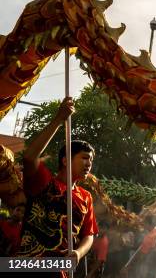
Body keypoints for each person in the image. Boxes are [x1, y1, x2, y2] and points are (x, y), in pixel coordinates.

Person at [15, 96, 98, 278]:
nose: (89, 163)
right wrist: (59, 118)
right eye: (84, 157)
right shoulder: (43, 182)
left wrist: (78, 253)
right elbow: (29, 157)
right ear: (65, 160)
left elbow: (88, 235)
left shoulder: (86, 197)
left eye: (91, 160)